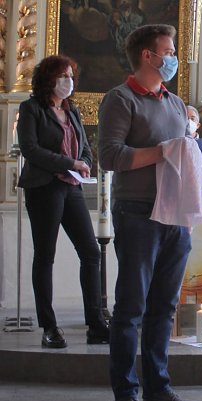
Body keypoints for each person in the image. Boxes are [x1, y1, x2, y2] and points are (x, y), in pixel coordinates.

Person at [98, 24, 192, 401]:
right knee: (132, 307)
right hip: (137, 213)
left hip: (175, 214)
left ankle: (159, 386)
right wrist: (163, 152)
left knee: (164, 308)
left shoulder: (175, 103)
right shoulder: (120, 99)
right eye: (168, 52)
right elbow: (109, 156)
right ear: (148, 56)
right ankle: (126, 390)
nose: (174, 58)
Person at [16, 55, 109, 348]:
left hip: (71, 188)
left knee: (91, 252)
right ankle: (49, 327)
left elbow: (85, 148)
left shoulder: (73, 111)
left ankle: (95, 323)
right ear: (48, 79)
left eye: (71, 76)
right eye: (63, 75)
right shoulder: (31, 108)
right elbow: (30, 149)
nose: (69, 81)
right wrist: (69, 161)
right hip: (44, 187)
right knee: (45, 257)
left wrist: (81, 161)